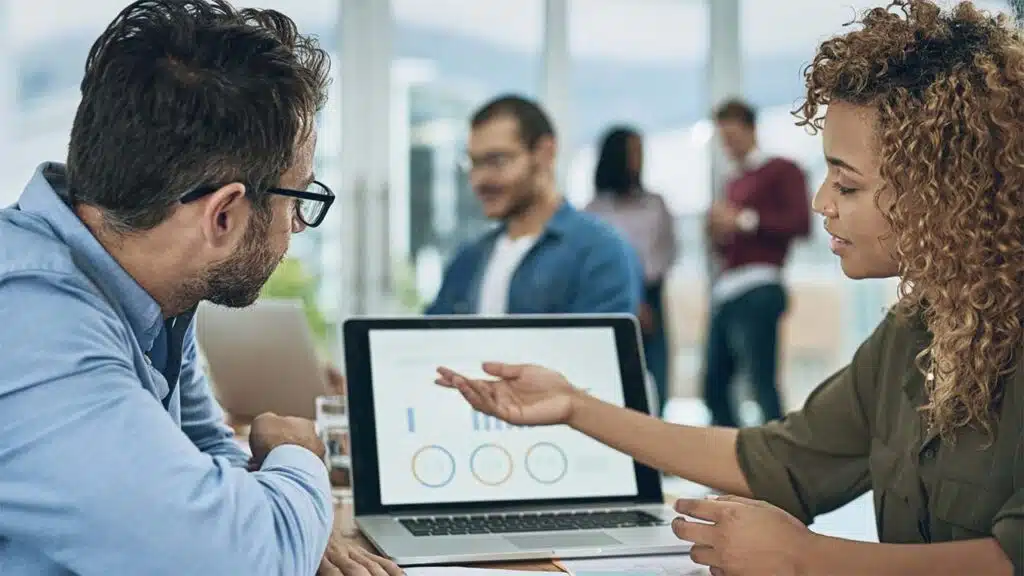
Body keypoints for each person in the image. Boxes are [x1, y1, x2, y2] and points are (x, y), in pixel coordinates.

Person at [434, 1, 1023, 574]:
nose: (822, 203)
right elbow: (775, 459)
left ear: (945, 191)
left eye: (846, 186)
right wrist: (575, 407)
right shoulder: (913, 332)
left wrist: (807, 558)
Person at [0, 1, 399, 575]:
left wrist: (291, 526)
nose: (298, 227)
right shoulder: (31, 321)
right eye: (301, 199)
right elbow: (233, 562)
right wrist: (298, 456)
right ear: (223, 216)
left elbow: (209, 460)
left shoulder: (146, 286)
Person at [426, 95, 643, 316]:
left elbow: (599, 349)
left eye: (497, 161)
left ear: (544, 153)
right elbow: (430, 343)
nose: (479, 179)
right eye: (474, 163)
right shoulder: (468, 260)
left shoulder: (599, 252)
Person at [704, 99, 812, 427]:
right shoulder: (732, 183)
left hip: (760, 286)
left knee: (761, 382)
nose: (729, 145)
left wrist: (744, 221)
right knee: (714, 385)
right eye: (724, 138)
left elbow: (800, 224)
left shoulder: (781, 170)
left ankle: (777, 463)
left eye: (733, 135)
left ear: (751, 129)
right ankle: (727, 460)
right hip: (728, 289)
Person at [585, 126, 677, 412]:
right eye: (633, 152)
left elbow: (667, 251)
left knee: (657, 377)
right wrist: (630, 298)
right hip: (611, 300)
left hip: (652, 295)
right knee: (614, 380)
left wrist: (643, 297)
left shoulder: (655, 204)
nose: (639, 159)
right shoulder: (594, 211)